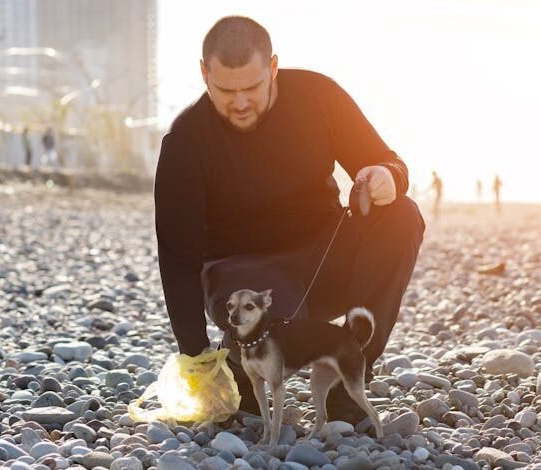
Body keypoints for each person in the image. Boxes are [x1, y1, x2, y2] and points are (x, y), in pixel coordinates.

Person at [154, 16, 425, 422]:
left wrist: (389, 177)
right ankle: (244, 377)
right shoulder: (185, 142)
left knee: (402, 214)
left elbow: (386, 160)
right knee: (247, 406)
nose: (240, 101)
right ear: (204, 74)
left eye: (252, 87)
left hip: (323, 258)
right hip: (246, 279)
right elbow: (177, 259)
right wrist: (196, 357)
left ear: (274, 68)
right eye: (226, 90)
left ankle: (347, 385)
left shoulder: (319, 96)